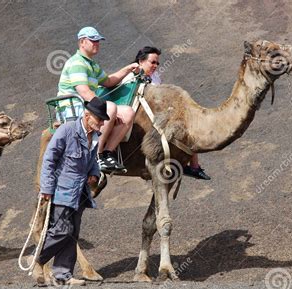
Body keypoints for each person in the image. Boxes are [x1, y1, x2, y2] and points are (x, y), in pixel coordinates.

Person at [35, 97, 108, 286]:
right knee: (61, 230)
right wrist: (47, 188)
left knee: (72, 233)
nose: (101, 123)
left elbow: (93, 160)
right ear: (87, 115)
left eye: (102, 120)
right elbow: (49, 160)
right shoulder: (67, 131)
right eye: (99, 119)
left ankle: (62, 275)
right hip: (62, 191)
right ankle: (37, 260)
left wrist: (94, 172)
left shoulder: (95, 137)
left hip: (80, 193)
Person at [57, 26, 139, 173]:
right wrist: (109, 112)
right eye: (93, 40)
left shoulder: (92, 65)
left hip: (86, 107)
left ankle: (107, 154)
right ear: (82, 42)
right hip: (71, 108)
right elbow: (84, 91)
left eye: (98, 41)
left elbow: (108, 81)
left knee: (127, 112)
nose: (97, 43)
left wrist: (128, 69)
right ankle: (96, 156)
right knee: (111, 107)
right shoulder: (77, 62)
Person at [133, 47, 211, 180]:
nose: (156, 66)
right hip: (141, 115)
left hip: (157, 112)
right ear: (141, 61)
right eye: (152, 62)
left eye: (157, 63)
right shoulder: (133, 75)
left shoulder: (155, 76)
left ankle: (193, 166)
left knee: (187, 127)